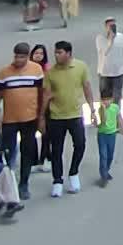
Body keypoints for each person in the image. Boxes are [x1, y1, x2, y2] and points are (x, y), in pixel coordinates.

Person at [41, 39, 96, 197]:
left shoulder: (80, 67)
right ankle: (57, 181)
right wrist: (41, 117)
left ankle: (73, 172)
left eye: (60, 52)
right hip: (56, 116)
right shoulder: (51, 72)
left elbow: (86, 87)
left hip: (75, 114)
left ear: (68, 53)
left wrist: (92, 109)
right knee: (56, 150)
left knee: (80, 144)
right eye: (55, 52)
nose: (56, 55)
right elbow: (46, 95)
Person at [0, 41, 46, 201]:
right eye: (16, 57)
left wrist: (41, 116)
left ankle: (24, 183)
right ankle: (7, 183)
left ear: (27, 56)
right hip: (9, 120)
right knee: (7, 151)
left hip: (30, 119)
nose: (18, 60)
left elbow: (41, 93)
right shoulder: (4, 73)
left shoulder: (36, 70)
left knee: (27, 151)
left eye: (22, 57)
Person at [95, 78, 123, 185]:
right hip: (102, 134)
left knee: (110, 155)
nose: (106, 102)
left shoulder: (115, 108)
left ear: (112, 99)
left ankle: (106, 170)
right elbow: (103, 121)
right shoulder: (101, 109)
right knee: (103, 155)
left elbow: (119, 118)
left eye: (108, 99)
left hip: (112, 134)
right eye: (104, 100)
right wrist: (103, 109)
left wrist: (122, 129)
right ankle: (103, 176)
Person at [95, 17, 123, 102]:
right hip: (104, 73)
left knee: (117, 99)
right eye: (110, 26)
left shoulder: (121, 37)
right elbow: (104, 52)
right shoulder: (100, 38)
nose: (112, 28)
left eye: (114, 25)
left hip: (118, 73)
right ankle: (105, 111)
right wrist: (110, 40)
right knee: (105, 100)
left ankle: (117, 110)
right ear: (105, 27)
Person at [29, 42, 51, 170]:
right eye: (36, 53)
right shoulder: (27, 69)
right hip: (30, 104)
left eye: (41, 53)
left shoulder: (47, 70)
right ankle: (33, 161)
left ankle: (45, 158)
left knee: (46, 133)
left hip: (45, 104)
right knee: (30, 133)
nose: (38, 55)